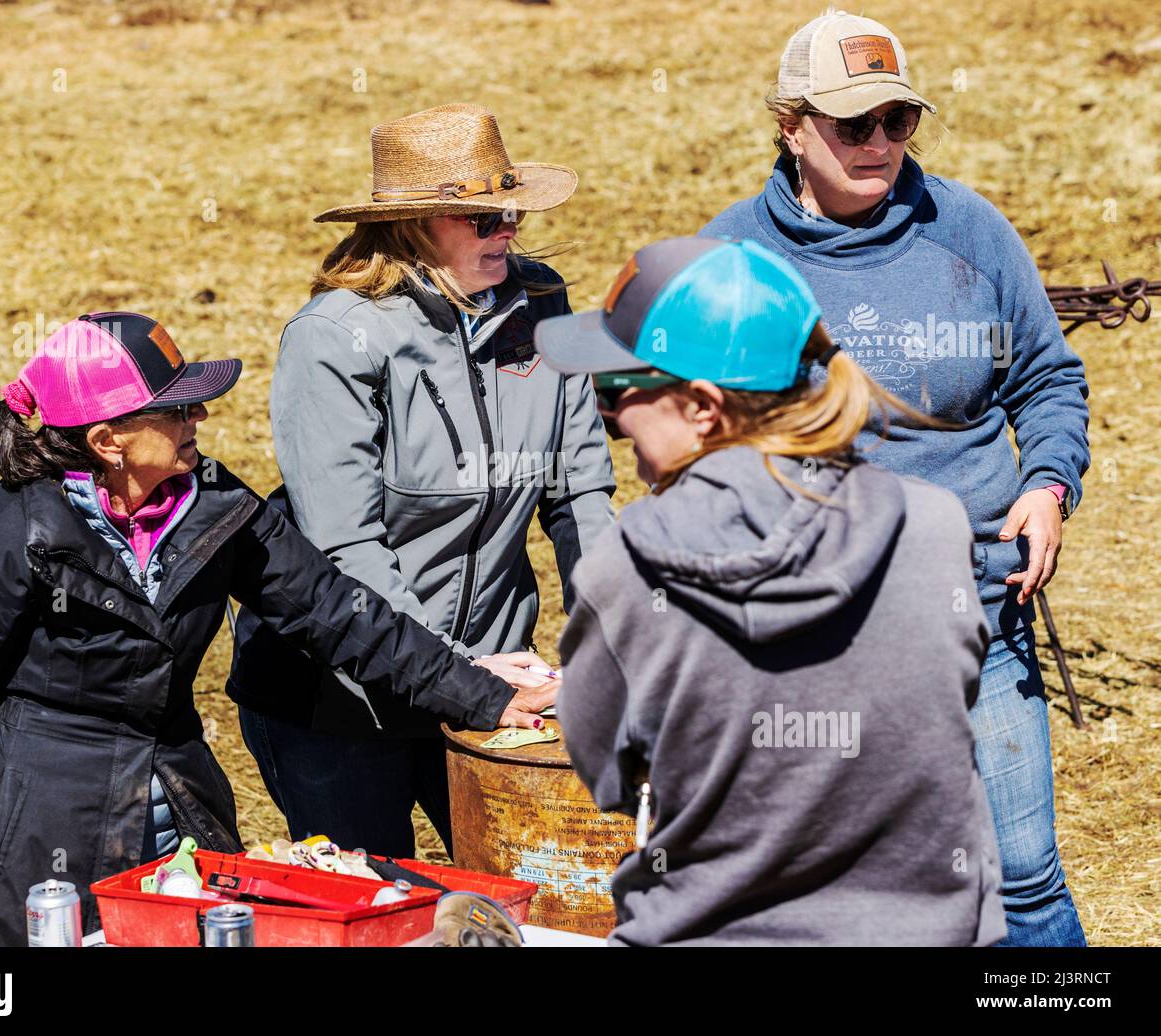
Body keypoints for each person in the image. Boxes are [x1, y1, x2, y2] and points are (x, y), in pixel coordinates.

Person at [0, 312, 550, 948]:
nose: (198, 416)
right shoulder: (0, 540)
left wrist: (479, 694)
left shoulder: (215, 504)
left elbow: (337, 612)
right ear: (107, 438)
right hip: (37, 832)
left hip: (182, 807)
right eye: (175, 408)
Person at [698, 10, 1090, 946]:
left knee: (1024, 880)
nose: (878, 144)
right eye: (851, 123)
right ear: (791, 125)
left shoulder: (970, 232)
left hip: (978, 617)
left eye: (897, 121)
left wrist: (1047, 485)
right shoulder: (734, 262)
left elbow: (1046, 379)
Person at [534, 235, 1008, 946]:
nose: (611, 423)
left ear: (702, 406)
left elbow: (603, 773)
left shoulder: (627, 563)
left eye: (613, 392)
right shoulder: (936, 525)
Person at [228, 103, 615, 858]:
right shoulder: (335, 338)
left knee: (520, 898)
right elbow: (345, 543)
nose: (507, 229)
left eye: (512, 211)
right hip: (337, 700)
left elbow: (580, 496)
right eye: (483, 217)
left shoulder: (541, 302)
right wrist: (460, 674)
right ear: (411, 223)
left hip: (494, 682)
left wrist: (611, 646)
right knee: (380, 908)